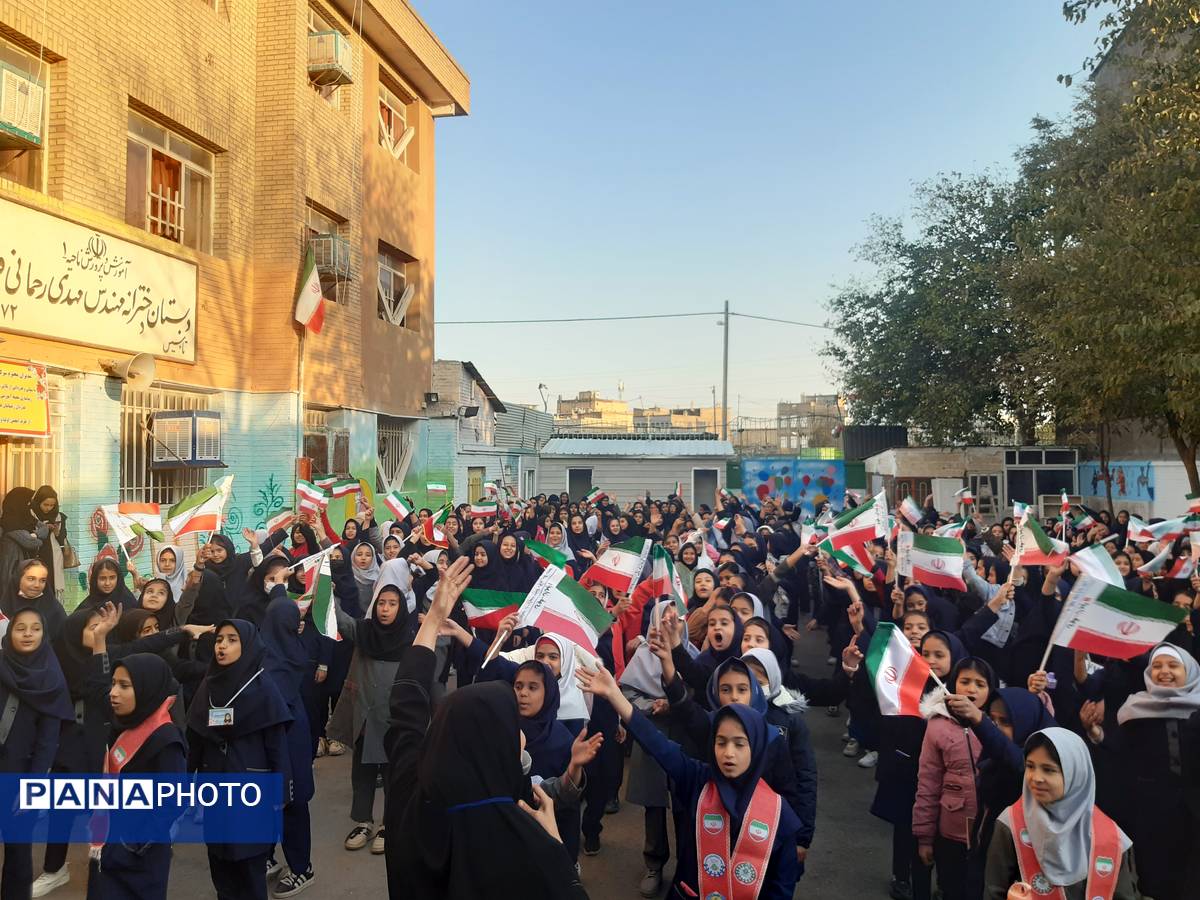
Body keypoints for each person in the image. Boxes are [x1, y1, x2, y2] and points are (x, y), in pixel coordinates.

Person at [383, 556, 589, 898]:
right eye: (511, 726)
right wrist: (553, 848)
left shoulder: (410, 788)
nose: (520, 730)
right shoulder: (521, 833)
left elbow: (406, 706)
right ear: (498, 747)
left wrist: (433, 619)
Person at [579, 663, 803, 899]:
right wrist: (615, 695)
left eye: (739, 744)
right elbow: (657, 744)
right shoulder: (697, 780)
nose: (728, 753)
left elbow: (782, 885)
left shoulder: (778, 813)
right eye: (721, 742)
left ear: (757, 749)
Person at [187, 620, 292, 900]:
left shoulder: (263, 688)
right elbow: (195, 738)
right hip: (214, 789)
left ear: (248, 646)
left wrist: (279, 791)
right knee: (220, 864)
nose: (222, 645)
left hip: (251, 789)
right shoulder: (208, 686)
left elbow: (277, 746)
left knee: (249, 866)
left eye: (232, 640)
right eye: (220, 639)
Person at [1086, 642, 1200, 900]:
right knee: (1155, 877)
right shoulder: (1136, 710)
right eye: (1157, 665)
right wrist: (1097, 734)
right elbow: (1121, 752)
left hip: (1194, 812)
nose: (1164, 671)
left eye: (1173, 665)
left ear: (1190, 670)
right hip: (1151, 812)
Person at [984, 728, 1136, 900]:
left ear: (1076, 774)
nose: (1036, 778)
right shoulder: (1010, 824)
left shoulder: (1110, 837)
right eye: (1030, 766)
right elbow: (994, 891)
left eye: (1049, 770)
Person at [328, 562, 416, 856]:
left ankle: (388, 825)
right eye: (381, 602)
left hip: (394, 720)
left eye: (392, 603)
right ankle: (363, 822)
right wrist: (326, 595)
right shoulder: (364, 631)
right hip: (365, 716)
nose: (385, 609)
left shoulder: (410, 637)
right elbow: (339, 621)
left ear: (400, 607)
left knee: (394, 776)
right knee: (363, 773)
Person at [89, 653, 186, 900]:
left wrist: (131, 846)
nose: (113, 692)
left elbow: (172, 803)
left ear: (146, 687)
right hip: (109, 841)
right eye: (113, 684)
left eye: (124, 686)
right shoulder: (123, 723)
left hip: (138, 856)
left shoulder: (165, 739)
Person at [0, 608, 72, 899]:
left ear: (44, 634)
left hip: (20, 777)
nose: (28, 634)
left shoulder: (51, 678)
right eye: (20, 628)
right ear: (9, 632)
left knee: (18, 851)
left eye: (35, 628)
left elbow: (47, 743)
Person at [258, 587, 316, 898]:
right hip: (284, 737)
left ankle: (301, 867)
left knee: (291, 804)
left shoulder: (268, 654)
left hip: (287, 738)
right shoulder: (288, 649)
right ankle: (268, 857)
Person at [30, 486, 68, 602]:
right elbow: (28, 536)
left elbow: (62, 539)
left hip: (53, 558)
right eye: (45, 504)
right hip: (36, 555)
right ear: (38, 502)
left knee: (51, 585)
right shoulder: (31, 515)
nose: (49, 508)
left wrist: (57, 532)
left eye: (52, 505)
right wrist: (43, 529)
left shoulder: (58, 516)